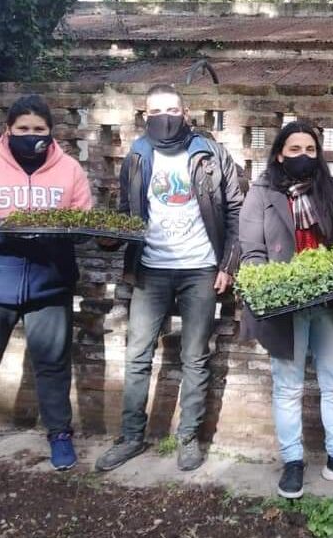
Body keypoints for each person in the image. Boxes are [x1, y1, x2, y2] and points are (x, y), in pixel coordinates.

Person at [95, 86, 243, 473]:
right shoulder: (138, 156)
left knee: (196, 356)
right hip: (150, 269)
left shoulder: (211, 154)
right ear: (145, 115)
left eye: (173, 109)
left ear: (186, 112)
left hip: (200, 269)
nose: (165, 117)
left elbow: (234, 211)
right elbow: (127, 210)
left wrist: (227, 264)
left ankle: (189, 438)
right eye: (157, 110)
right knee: (138, 354)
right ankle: (130, 437)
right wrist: (109, 236)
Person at [0, 94, 93, 470]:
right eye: (23, 129)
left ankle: (59, 435)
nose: (31, 135)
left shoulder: (69, 169)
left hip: (49, 284)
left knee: (53, 365)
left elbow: (82, 220)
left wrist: (73, 232)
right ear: (8, 130)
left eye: (38, 129)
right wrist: (1, 231)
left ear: (50, 132)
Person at [239, 121, 333, 499]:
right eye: (295, 149)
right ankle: (293, 462)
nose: (303, 156)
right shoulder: (261, 194)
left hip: (329, 304)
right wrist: (271, 286)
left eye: (310, 150)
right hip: (284, 307)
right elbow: (252, 252)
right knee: (288, 387)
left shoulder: (331, 190)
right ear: (279, 153)